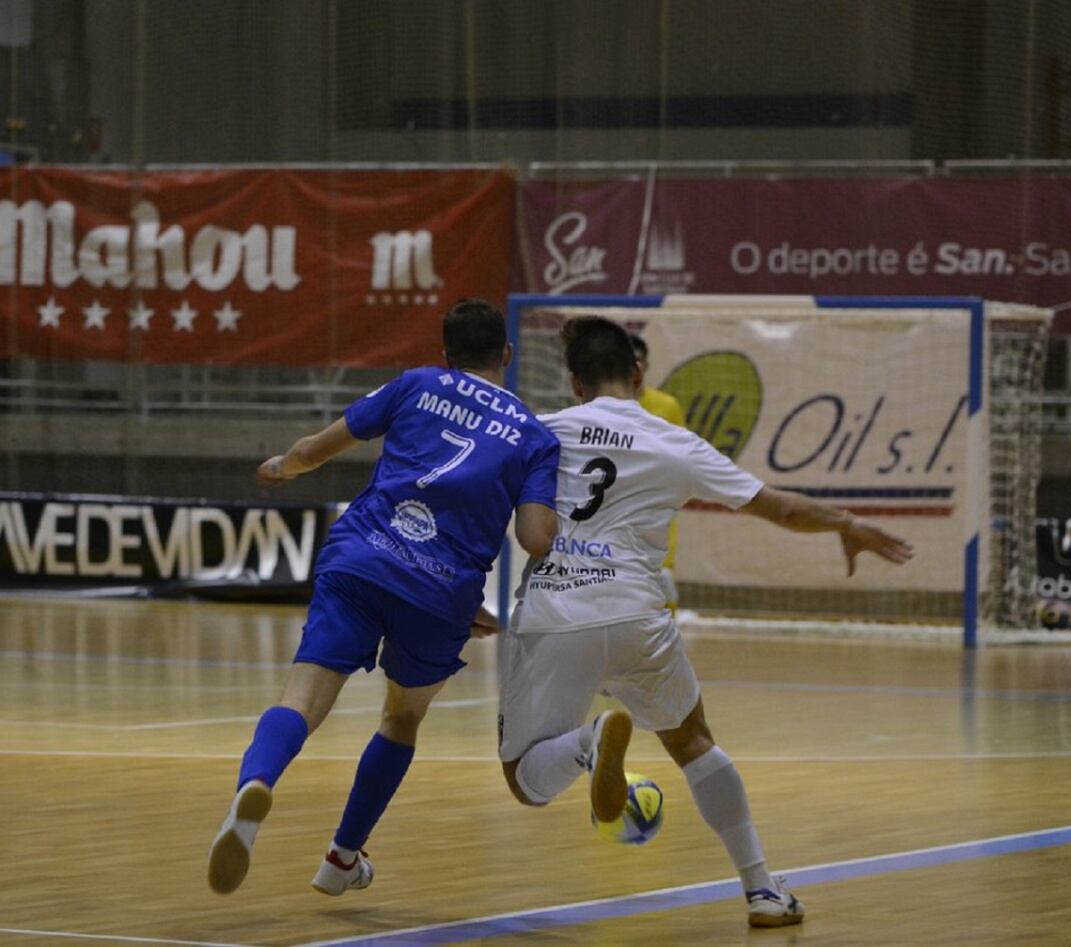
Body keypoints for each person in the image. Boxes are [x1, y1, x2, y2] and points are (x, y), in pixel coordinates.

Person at [498, 316, 914, 928]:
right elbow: (783, 509)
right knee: (691, 740)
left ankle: (587, 744)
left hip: (556, 612)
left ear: (573, 383)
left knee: (526, 781)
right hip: (638, 612)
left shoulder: (540, 432)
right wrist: (846, 524)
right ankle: (762, 891)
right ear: (638, 374)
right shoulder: (675, 442)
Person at [208, 298, 559, 897]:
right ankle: (342, 857)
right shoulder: (534, 436)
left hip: (363, 557)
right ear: (506, 354)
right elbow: (534, 538)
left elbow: (317, 449)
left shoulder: (417, 384)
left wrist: (282, 467)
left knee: (304, 696)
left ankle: (256, 781)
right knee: (402, 717)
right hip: (442, 592)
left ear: (445, 354)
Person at [629, 334, 685, 611]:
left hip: (657, 510)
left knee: (662, 580)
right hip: (616, 510)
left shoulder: (667, 406)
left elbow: (682, 457)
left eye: (638, 362)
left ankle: (663, 647)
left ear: (645, 366)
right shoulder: (598, 408)